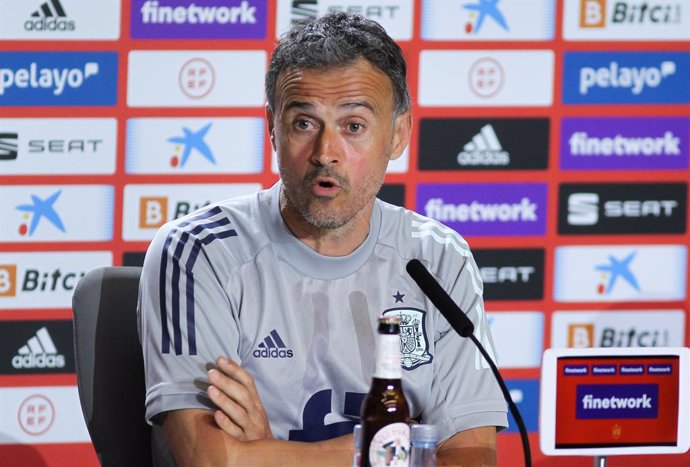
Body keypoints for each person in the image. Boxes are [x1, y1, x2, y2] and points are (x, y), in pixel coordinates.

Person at [137, 12, 508, 467]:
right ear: (272, 128)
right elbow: (214, 461)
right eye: (304, 124)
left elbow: (471, 456)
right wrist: (402, 449)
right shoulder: (198, 252)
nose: (325, 153)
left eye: (353, 126)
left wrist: (264, 452)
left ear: (397, 135)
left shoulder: (439, 258)